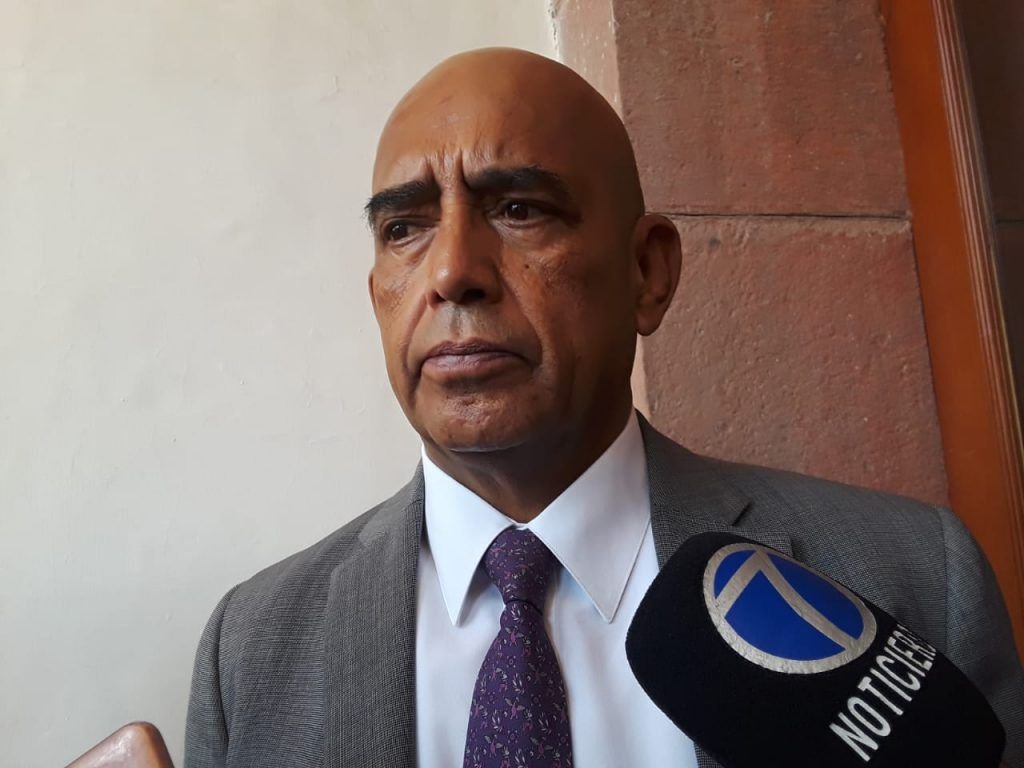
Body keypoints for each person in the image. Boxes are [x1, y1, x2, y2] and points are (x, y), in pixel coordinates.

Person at [184, 48, 1024, 768]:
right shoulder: (249, 648)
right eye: (404, 228)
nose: (451, 272)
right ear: (377, 292)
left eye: (519, 209)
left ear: (648, 273)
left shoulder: (915, 575)